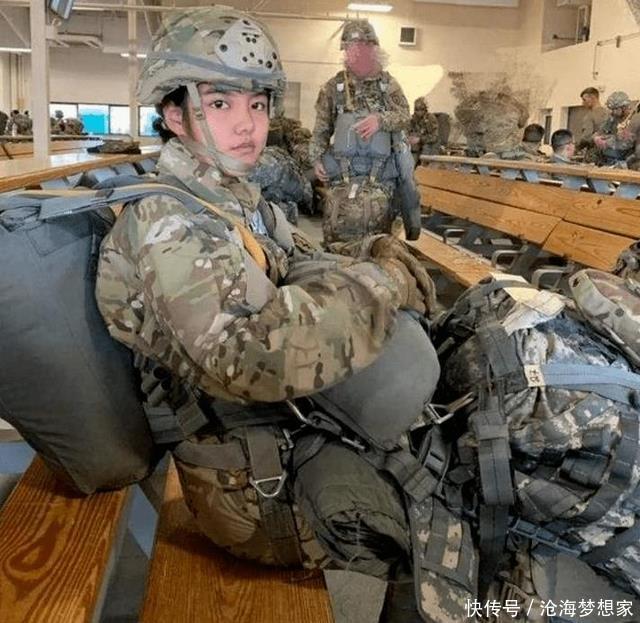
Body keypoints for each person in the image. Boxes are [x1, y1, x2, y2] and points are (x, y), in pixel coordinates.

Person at [96, 6, 439, 620]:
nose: (247, 124)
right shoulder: (167, 221)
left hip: (276, 432)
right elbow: (251, 359)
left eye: (256, 104)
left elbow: (299, 259)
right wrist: (381, 287)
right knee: (444, 516)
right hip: (247, 484)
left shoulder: (230, 197)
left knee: (453, 440)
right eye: (219, 103)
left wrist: (369, 253)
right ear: (174, 114)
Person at [309, 19, 421, 242]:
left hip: (381, 171)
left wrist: (380, 120)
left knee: (405, 174)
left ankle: (413, 225)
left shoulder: (388, 85)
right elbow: (321, 128)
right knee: (336, 216)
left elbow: (404, 117)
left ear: (374, 49)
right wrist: (316, 159)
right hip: (344, 170)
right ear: (345, 51)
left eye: (365, 46)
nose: (358, 52)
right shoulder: (333, 88)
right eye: (352, 47)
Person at [593, 91, 640, 166]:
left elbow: (626, 142)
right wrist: (596, 138)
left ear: (624, 108)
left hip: (628, 161)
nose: (612, 112)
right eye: (611, 109)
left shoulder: (635, 120)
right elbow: (600, 132)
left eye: (614, 109)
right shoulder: (612, 119)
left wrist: (607, 142)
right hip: (608, 160)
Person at [575, 86, 607, 162]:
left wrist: (575, 148)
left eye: (584, 100)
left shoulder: (590, 116)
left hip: (594, 156)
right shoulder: (609, 114)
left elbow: (585, 138)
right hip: (608, 156)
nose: (582, 103)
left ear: (592, 98)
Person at [408, 96, 440, 164]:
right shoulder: (413, 119)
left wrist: (420, 139)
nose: (418, 111)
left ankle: (424, 165)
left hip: (430, 145)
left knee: (426, 149)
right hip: (416, 147)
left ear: (425, 109)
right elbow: (409, 131)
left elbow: (434, 137)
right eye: (416, 109)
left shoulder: (430, 118)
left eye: (421, 109)